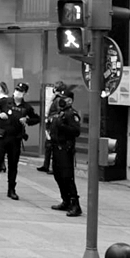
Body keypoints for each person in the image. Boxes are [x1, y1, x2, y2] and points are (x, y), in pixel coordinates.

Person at [0, 81, 39, 199]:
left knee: (13, 164)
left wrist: (27, 121)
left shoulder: (26, 107)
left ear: (24, 93)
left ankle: (11, 189)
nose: (18, 93)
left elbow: (36, 119)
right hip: (1, 137)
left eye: (21, 91)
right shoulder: (5, 101)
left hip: (15, 138)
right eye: (17, 90)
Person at [47, 89, 83, 217]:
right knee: (58, 175)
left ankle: (75, 204)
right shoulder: (59, 113)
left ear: (70, 100)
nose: (60, 100)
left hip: (65, 149)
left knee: (67, 177)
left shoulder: (71, 114)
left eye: (64, 98)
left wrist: (62, 126)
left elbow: (76, 131)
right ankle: (65, 200)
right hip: (56, 147)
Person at [37, 82, 68, 175]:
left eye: (55, 87)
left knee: (52, 146)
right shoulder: (55, 98)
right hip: (50, 124)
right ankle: (46, 165)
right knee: (48, 146)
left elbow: (58, 112)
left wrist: (51, 119)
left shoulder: (59, 100)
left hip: (53, 125)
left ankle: (54, 167)